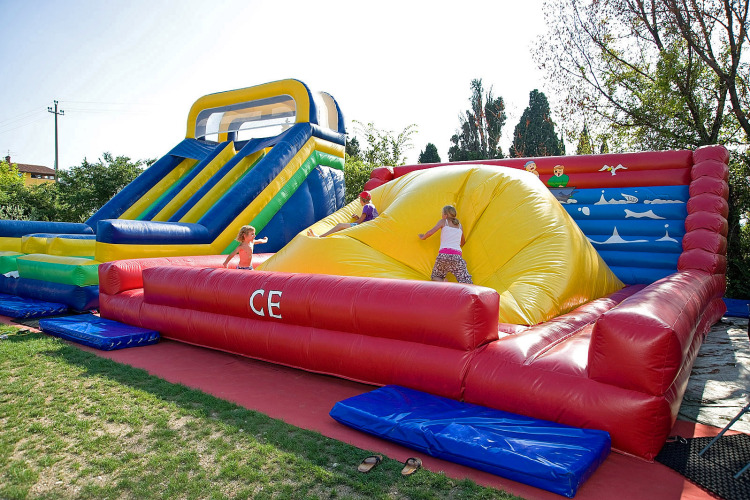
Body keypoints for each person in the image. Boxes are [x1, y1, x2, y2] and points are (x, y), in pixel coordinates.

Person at [418, 205, 473, 284]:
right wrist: (460, 261)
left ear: (445, 215)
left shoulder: (443, 221)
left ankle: (443, 282)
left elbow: (431, 232)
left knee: (435, 276)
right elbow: (462, 242)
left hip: (443, 255)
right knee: (466, 280)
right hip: (456, 256)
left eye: (442, 213)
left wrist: (423, 237)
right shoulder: (460, 226)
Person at [307, 191, 378, 237]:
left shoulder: (366, 206)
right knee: (342, 227)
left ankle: (319, 236)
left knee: (340, 225)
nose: (360, 202)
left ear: (362, 200)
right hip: (368, 227)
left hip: (363, 228)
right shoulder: (372, 206)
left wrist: (351, 224)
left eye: (360, 200)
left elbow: (360, 222)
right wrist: (357, 217)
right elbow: (366, 219)